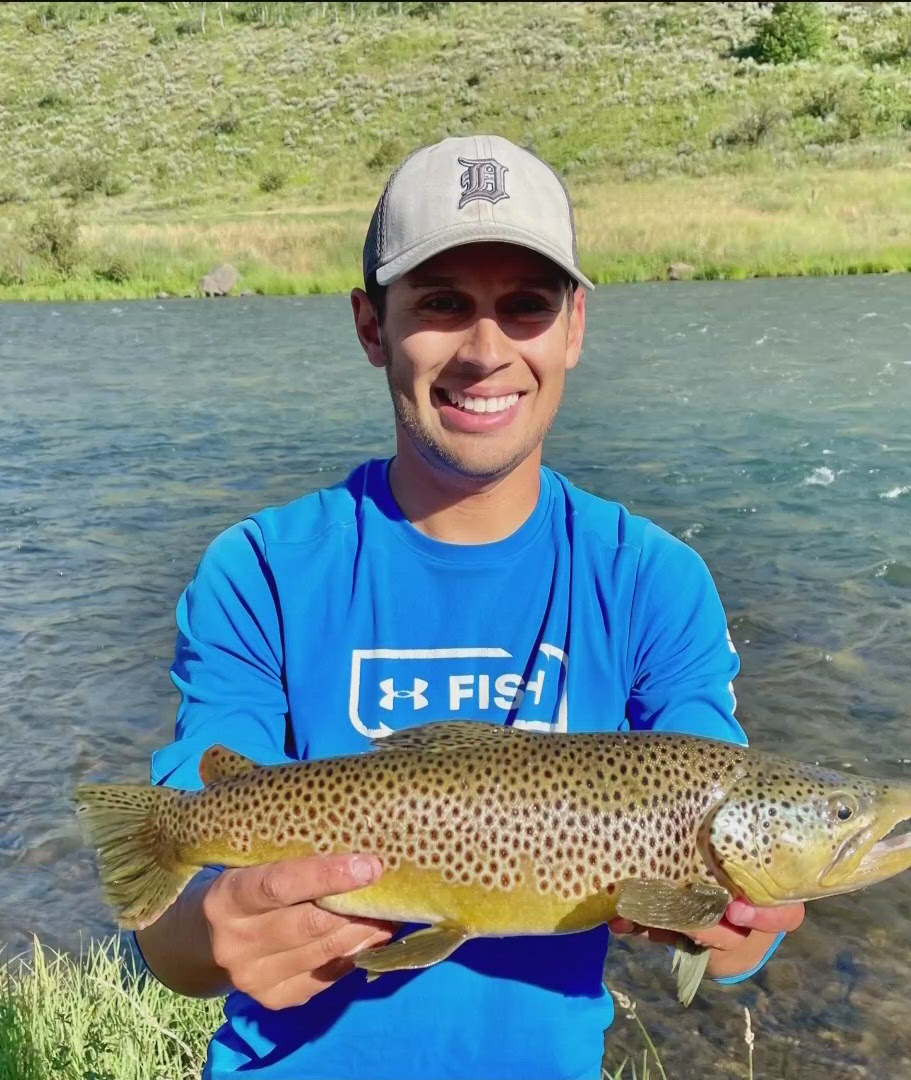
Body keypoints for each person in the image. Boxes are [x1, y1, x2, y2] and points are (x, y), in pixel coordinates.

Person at [126, 135, 804, 1080]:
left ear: (574, 327)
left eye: (524, 306)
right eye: (443, 304)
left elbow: (727, 860)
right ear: (371, 326)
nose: (487, 353)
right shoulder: (262, 571)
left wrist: (736, 929)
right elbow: (169, 926)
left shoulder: (652, 581)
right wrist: (215, 932)